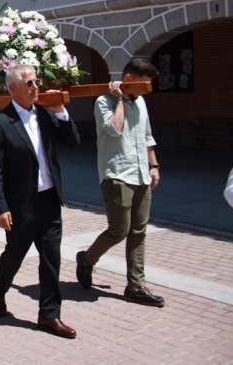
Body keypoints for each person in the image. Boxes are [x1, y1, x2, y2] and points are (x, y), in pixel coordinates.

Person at [0, 64, 80, 339]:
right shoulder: (1, 122)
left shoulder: (46, 115)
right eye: (29, 83)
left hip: (50, 200)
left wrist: (60, 110)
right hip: (21, 205)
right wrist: (0, 208)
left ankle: (49, 315)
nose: (35, 86)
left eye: (36, 81)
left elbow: (73, 140)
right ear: (13, 88)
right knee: (14, 255)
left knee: (51, 258)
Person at [76, 58, 165, 307]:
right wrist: (120, 99)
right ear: (128, 80)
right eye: (143, 84)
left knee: (139, 232)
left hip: (141, 175)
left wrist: (154, 165)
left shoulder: (142, 102)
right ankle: (86, 260)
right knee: (119, 230)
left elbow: (147, 136)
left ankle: (136, 286)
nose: (147, 89)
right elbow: (115, 129)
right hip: (117, 175)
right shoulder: (104, 101)